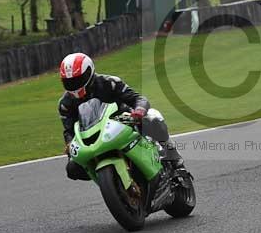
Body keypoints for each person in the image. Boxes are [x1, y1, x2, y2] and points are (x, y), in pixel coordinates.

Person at [58, 52, 184, 181]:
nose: (74, 85)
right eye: (69, 82)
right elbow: (69, 130)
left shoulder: (110, 83)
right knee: (72, 168)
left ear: (89, 73)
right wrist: (69, 144)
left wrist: (139, 111)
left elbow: (138, 98)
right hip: (94, 136)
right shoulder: (65, 104)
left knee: (153, 119)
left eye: (78, 80)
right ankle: (110, 183)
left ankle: (175, 158)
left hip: (125, 123)